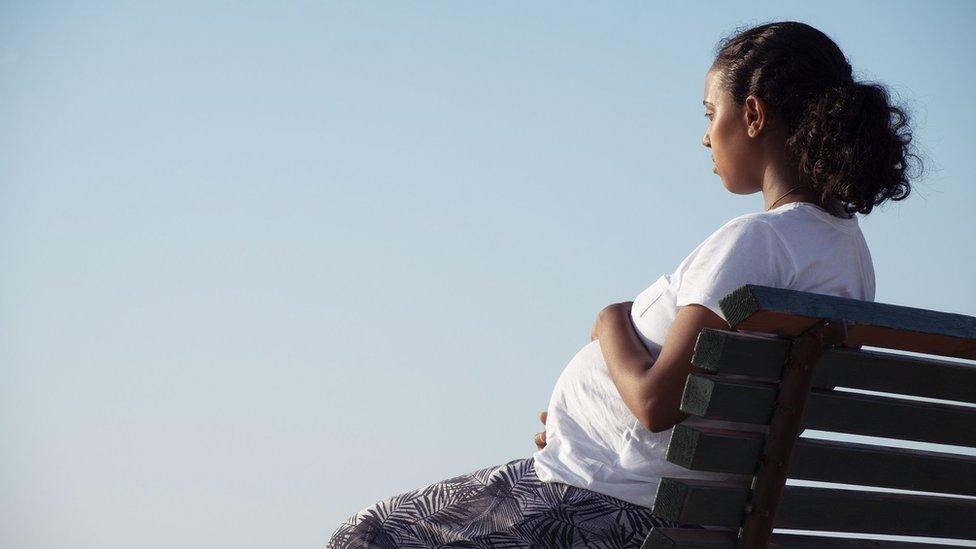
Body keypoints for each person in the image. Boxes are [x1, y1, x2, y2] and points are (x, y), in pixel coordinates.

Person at [326, 20, 922, 548]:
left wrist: (610, 319)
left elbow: (658, 404)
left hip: (607, 511)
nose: (705, 137)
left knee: (366, 536)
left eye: (710, 114)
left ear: (755, 115)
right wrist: (583, 420)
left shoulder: (757, 242)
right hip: (650, 500)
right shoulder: (849, 256)